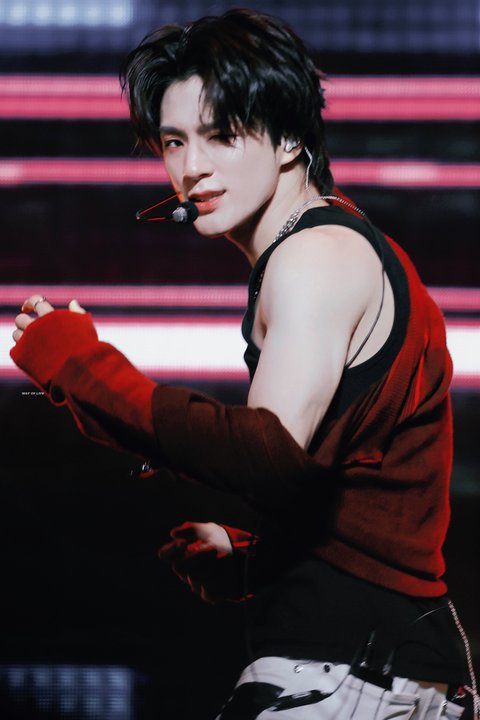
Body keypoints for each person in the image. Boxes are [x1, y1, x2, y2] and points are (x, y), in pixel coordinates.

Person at [10, 9, 477, 719]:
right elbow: (364, 489)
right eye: (174, 141)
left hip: (350, 674)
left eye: (222, 135)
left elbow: (268, 454)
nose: (191, 166)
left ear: (289, 138)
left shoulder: (315, 256)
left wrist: (80, 367)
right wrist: (264, 561)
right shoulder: (329, 248)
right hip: (375, 670)